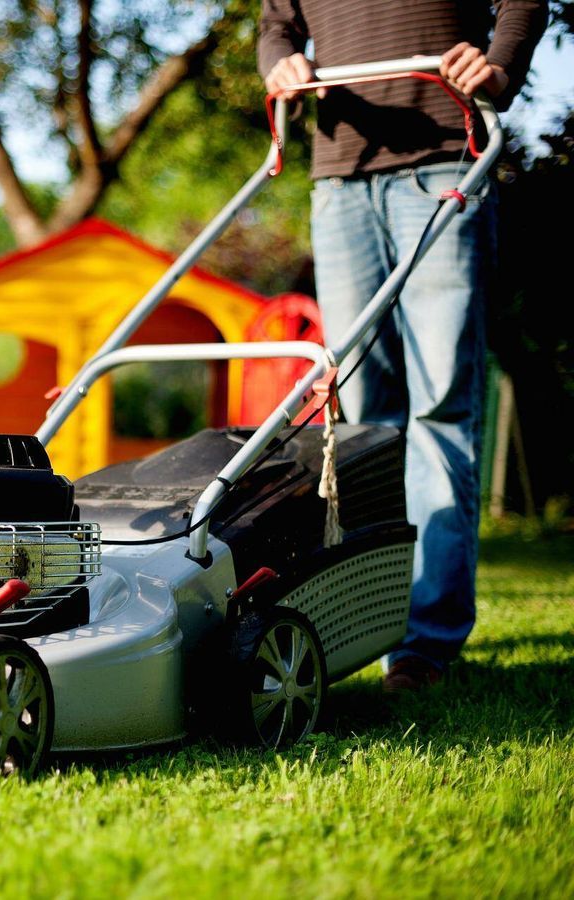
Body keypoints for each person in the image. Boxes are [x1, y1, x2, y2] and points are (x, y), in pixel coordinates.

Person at [258, 1, 548, 692]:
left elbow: (523, 2)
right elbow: (277, 26)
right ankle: (369, 621)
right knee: (363, 422)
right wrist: (281, 67)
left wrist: (499, 65)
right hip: (340, 178)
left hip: (447, 160)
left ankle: (424, 643)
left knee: (444, 404)